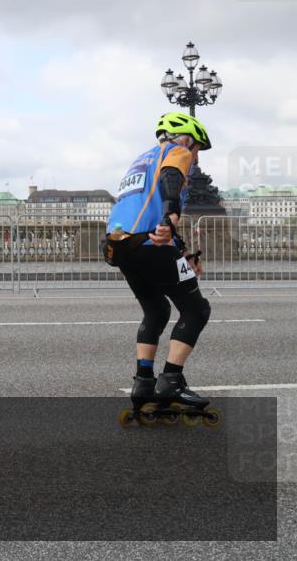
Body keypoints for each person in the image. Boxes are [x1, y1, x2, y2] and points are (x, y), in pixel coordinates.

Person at [105, 111, 212, 415]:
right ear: (188, 139)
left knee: (157, 310)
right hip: (151, 245)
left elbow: (142, 210)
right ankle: (171, 381)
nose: (196, 158)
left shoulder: (140, 161)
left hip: (120, 244)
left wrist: (183, 252)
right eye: (197, 150)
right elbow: (171, 180)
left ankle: (143, 383)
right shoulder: (176, 151)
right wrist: (171, 215)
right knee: (196, 309)